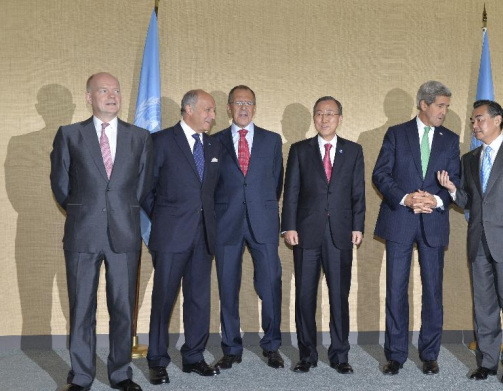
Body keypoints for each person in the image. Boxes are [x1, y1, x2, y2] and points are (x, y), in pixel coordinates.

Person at [50, 72, 153, 391]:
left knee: (123, 307)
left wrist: (120, 211)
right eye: (104, 90)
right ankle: (81, 376)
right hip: (83, 233)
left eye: (117, 90)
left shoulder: (140, 137)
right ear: (89, 97)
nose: (112, 95)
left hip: (125, 234)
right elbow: (61, 185)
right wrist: (86, 210)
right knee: (82, 308)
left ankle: (120, 373)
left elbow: (144, 184)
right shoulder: (69, 134)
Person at [437, 100, 503, 384]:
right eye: (472, 120)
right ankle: (486, 362)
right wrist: (452, 190)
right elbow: (470, 202)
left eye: (479, 119)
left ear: (497, 120)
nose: (474, 125)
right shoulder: (469, 159)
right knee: (483, 308)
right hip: (479, 244)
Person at [372, 80, 460, 376]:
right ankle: (395, 354)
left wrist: (434, 199)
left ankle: (429, 353)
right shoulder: (396, 134)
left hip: (433, 223)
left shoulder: (450, 139)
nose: (444, 112)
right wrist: (407, 198)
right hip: (400, 220)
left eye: (446, 107)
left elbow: (455, 183)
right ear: (423, 104)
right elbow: (380, 174)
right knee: (396, 288)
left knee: (433, 291)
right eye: (440, 106)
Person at [142, 90, 222, 385]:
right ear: (189, 109)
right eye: (208, 110)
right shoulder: (161, 141)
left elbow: (216, 192)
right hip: (171, 236)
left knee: (199, 299)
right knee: (164, 299)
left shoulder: (214, 145)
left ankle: (193, 357)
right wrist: (165, 219)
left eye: (213, 111)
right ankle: (157, 360)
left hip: (204, 237)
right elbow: (145, 190)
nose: (213, 116)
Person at [282, 96, 365, 374]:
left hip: (340, 233)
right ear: (313, 118)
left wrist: (358, 225)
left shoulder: (353, 151)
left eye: (330, 113)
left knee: (339, 296)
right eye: (319, 113)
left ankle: (340, 355)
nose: (324, 118)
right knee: (305, 296)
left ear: (340, 118)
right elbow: (291, 191)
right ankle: (307, 354)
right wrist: (289, 226)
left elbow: (358, 193)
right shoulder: (299, 150)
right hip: (305, 233)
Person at [213, 85, 284, 369]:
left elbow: (276, 182)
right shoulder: (214, 141)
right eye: (238, 103)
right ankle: (231, 347)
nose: (243, 108)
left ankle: (272, 345)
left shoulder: (272, 140)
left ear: (255, 107)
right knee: (227, 287)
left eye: (249, 103)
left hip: (263, 222)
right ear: (228, 108)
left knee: (270, 284)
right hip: (226, 223)